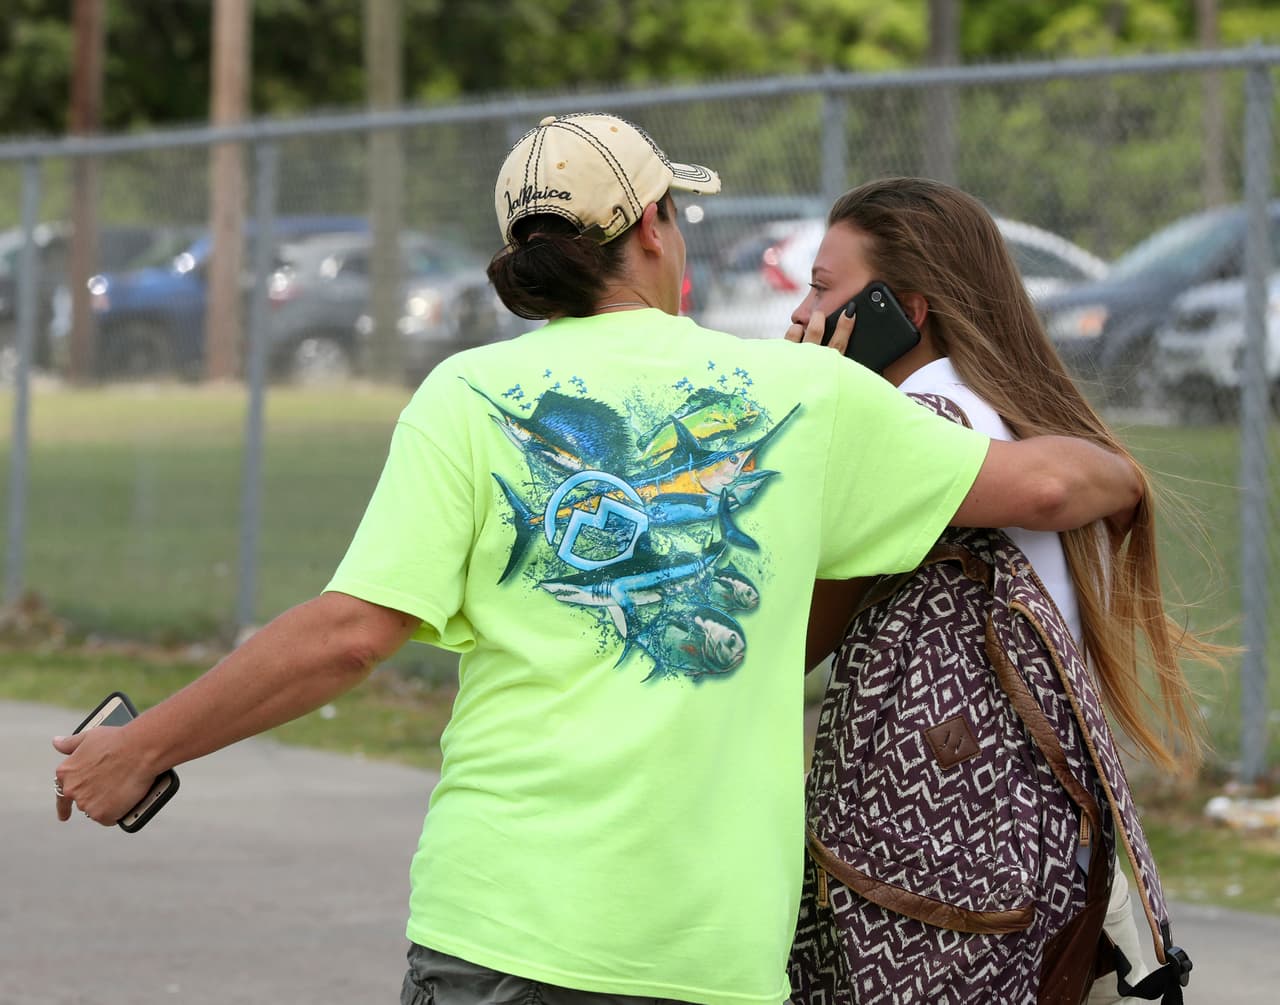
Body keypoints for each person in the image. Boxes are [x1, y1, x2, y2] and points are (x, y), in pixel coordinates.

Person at [52, 115, 1142, 1005]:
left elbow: (346, 636)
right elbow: (1051, 488)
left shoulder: (466, 395)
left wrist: (140, 748)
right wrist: (1124, 475)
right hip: (707, 955)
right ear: (655, 227)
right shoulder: (806, 395)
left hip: (499, 925)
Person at [782, 176, 1223, 1004]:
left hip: (953, 878)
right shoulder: (1002, 417)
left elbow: (794, 639)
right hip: (1037, 854)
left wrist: (811, 408)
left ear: (902, 310)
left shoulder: (920, 423)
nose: (801, 315)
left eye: (821, 287)